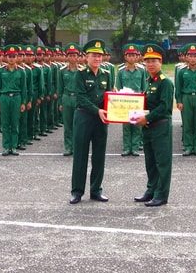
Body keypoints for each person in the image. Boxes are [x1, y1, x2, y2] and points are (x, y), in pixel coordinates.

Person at [69, 39, 112, 204]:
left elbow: (109, 96)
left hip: (101, 120)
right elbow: (81, 97)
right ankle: (77, 191)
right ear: (86, 57)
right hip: (84, 117)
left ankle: (96, 190)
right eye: (94, 56)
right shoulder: (80, 74)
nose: (97, 59)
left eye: (100, 56)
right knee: (80, 155)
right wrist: (97, 110)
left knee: (99, 156)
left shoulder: (107, 74)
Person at [133, 43, 173, 207]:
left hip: (160, 127)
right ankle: (151, 191)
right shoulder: (149, 81)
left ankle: (161, 195)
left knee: (162, 163)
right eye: (147, 61)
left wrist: (146, 118)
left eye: (154, 61)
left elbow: (165, 107)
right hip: (148, 127)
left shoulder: (165, 82)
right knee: (150, 162)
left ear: (160, 62)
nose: (150, 64)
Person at [175, 43, 196, 156]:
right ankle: (188, 146)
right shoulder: (182, 71)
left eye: (195, 56)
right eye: (190, 56)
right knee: (187, 123)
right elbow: (178, 87)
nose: (193, 58)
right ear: (186, 57)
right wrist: (179, 101)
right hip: (186, 98)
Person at [116, 43, 149, 156]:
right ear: (125, 57)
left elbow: (144, 86)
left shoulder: (141, 70)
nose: (131, 57)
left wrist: (143, 100)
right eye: (129, 55)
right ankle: (126, 148)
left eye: (133, 55)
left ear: (137, 57)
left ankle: (134, 148)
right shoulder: (120, 71)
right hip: (125, 102)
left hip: (137, 102)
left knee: (137, 126)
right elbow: (118, 87)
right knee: (126, 126)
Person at [0, 45, 27, 156]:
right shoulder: (1, 71)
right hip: (4, 98)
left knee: (15, 123)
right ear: (6, 58)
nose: (12, 58)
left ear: (17, 57)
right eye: (9, 56)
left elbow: (24, 88)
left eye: (14, 56)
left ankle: (13, 146)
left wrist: (23, 102)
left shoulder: (21, 72)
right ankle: (6, 147)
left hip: (16, 97)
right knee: (5, 124)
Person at [57, 44, 82, 156]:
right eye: (70, 55)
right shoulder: (62, 71)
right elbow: (60, 87)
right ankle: (68, 147)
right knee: (67, 125)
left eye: (74, 55)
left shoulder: (82, 71)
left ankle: (77, 147)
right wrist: (60, 102)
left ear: (78, 57)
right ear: (67, 57)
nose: (72, 57)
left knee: (78, 125)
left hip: (77, 99)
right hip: (66, 98)